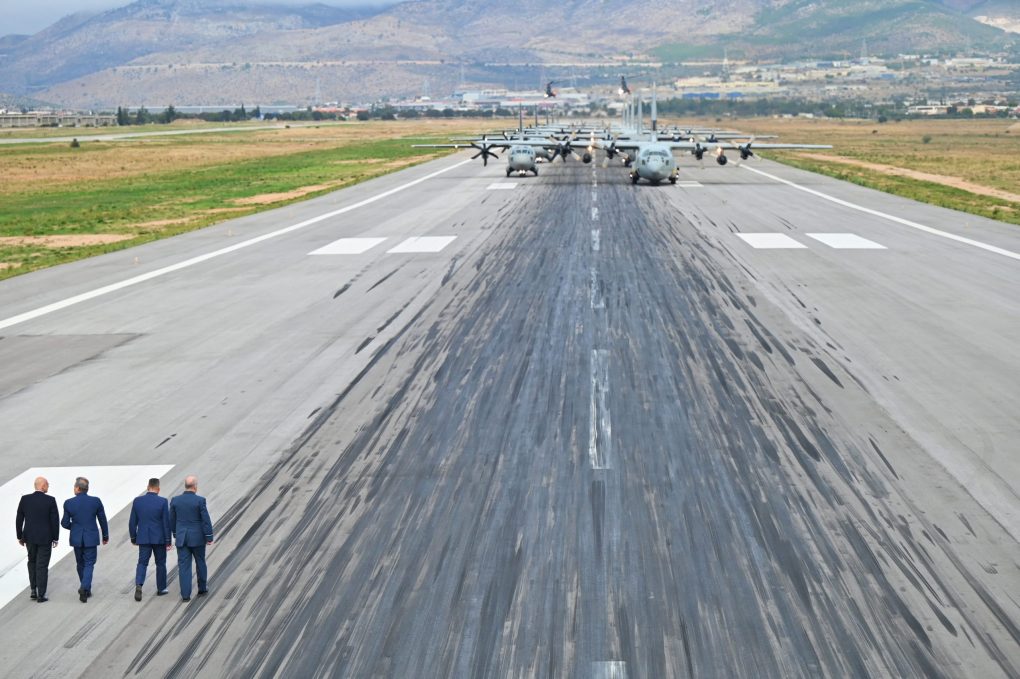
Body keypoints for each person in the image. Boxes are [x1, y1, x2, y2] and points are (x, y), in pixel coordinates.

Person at [61, 477, 109, 603]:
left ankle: (85, 588)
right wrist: (105, 536)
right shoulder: (95, 501)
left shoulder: (68, 503)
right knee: (89, 563)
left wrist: (75, 528)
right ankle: (84, 587)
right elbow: (102, 520)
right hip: (91, 538)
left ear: (77, 488)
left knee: (80, 564)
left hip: (76, 538)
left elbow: (64, 523)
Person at [15, 476, 60, 603]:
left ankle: (33, 590)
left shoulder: (25, 499)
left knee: (32, 562)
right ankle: (41, 594)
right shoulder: (50, 500)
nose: (48, 486)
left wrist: (19, 536)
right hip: (45, 538)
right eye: (47, 484)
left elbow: (19, 519)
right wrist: (55, 538)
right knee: (42, 565)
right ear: (43, 486)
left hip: (29, 537)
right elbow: (54, 520)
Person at [169, 476, 214, 601]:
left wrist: (175, 534)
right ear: (195, 486)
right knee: (200, 562)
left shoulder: (175, 500)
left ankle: (185, 595)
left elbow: (171, 520)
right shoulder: (200, 500)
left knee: (184, 566)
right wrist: (209, 536)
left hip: (182, 538)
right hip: (197, 538)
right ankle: (202, 588)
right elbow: (205, 520)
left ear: (185, 486)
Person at [128, 477, 172, 601]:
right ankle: (161, 588)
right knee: (160, 563)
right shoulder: (163, 502)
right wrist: (168, 541)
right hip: (159, 539)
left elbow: (132, 522)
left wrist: (133, 538)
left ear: (148, 487)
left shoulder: (137, 501)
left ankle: (139, 584)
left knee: (142, 563)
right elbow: (166, 523)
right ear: (158, 489)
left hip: (143, 538)